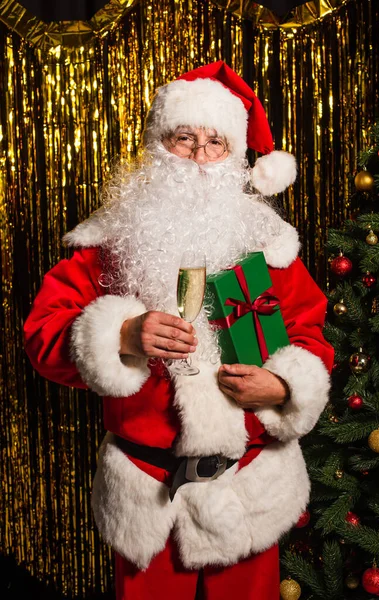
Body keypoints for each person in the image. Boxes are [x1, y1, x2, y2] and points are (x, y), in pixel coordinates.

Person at [24, 61, 334, 600]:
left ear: (236, 157)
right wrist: (120, 336)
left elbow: (311, 337)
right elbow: (42, 335)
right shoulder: (107, 244)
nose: (198, 157)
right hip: (148, 495)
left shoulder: (270, 246)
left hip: (249, 491)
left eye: (216, 143)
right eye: (183, 138)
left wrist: (283, 388)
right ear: (156, 145)